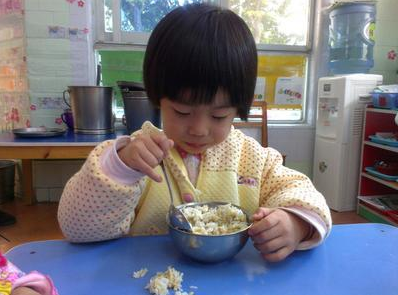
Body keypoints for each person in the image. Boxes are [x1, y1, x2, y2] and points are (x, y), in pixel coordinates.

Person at [58, 3, 332, 262]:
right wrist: (121, 169)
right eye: (182, 112)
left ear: (238, 108)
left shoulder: (254, 160)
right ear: (158, 99)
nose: (199, 130)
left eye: (219, 115)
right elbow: (77, 228)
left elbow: (304, 195)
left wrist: (295, 224)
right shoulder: (135, 157)